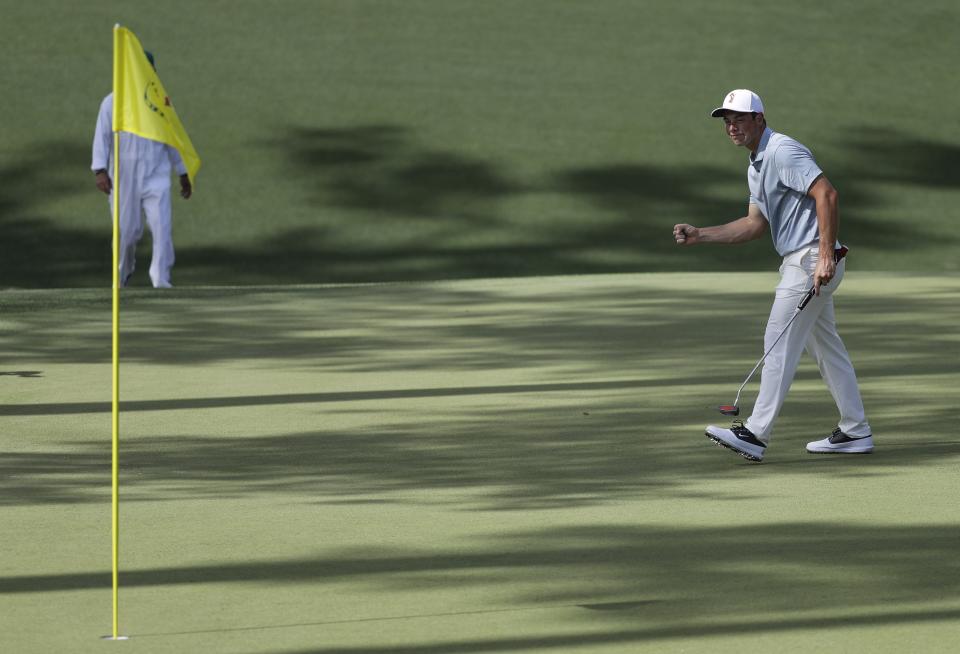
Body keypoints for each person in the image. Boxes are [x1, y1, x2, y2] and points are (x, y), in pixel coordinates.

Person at [672, 89, 873, 462]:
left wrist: (825, 256)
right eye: (727, 121)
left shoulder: (782, 150)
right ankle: (855, 431)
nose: (732, 127)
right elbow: (753, 225)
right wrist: (702, 234)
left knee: (777, 342)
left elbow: (827, 195)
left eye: (740, 119)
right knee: (827, 349)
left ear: (760, 119)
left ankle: (756, 433)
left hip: (811, 259)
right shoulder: (757, 164)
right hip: (807, 259)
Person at [91, 51, 192, 288]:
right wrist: (100, 170)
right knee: (127, 232)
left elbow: (173, 139)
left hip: (156, 176)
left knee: (161, 228)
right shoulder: (111, 103)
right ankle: (123, 273)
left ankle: (161, 279)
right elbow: (102, 138)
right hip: (124, 178)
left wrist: (183, 172)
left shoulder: (161, 102)